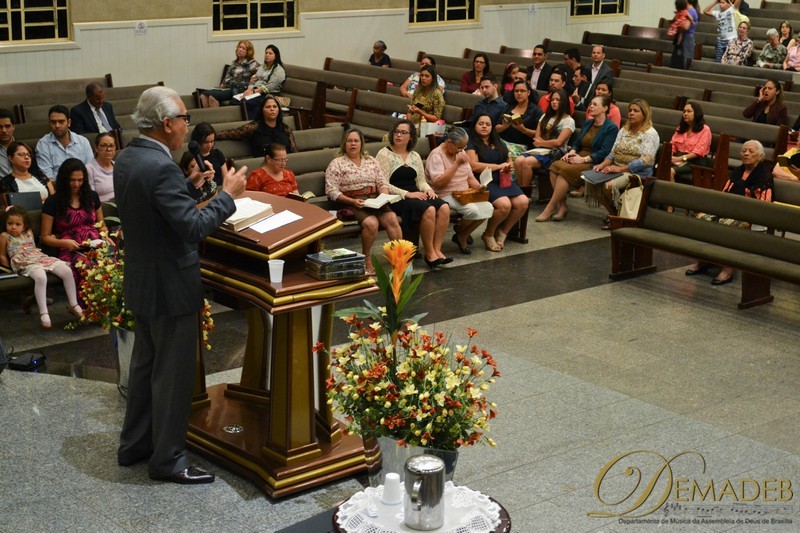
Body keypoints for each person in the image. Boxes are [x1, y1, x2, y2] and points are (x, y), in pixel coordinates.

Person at [114, 86, 247, 485]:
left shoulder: (129, 156)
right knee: (172, 377)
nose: (188, 125)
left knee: (144, 369)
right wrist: (227, 196)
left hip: (143, 280)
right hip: (170, 286)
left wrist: (188, 187)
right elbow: (191, 227)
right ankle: (168, 460)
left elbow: (153, 208)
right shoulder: (161, 167)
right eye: (184, 118)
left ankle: (135, 444)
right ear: (167, 123)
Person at [685, 140, 773, 285]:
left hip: (751, 217)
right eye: (744, 151)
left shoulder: (764, 175)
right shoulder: (738, 171)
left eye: (751, 151)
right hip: (729, 211)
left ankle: (728, 268)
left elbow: (763, 204)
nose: (746, 154)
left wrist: (737, 209)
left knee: (728, 225)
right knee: (702, 218)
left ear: (760, 156)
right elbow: (725, 192)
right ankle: (703, 260)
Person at [325, 128, 402, 275]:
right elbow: (331, 191)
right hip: (352, 201)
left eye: (356, 141)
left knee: (392, 218)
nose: (353, 144)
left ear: (361, 143)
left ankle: (399, 258)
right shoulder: (337, 163)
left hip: (374, 200)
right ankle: (366, 258)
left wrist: (383, 196)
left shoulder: (371, 161)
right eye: (349, 141)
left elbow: (382, 183)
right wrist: (351, 201)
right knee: (371, 223)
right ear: (344, 144)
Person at [376, 120, 451, 268]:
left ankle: (437, 250)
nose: (398, 135)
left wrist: (428, 189)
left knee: (444, 208)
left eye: (403, 132)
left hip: (415, 193)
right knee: (429, 209)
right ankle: (430, 254)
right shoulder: (384, 154)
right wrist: (407, 194)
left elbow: (421, 181)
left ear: (411, 137)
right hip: (396, 197)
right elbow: (383, 183)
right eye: (396, 132)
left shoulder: (414, 155)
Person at [537, 95, 619, 222]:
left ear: (605, 108)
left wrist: (583, 159)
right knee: (554, 166)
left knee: (564, 171)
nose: (591, 106)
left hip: (594, 162)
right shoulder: (588, 123)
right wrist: (572, 152)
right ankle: (562, 205)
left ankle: (550, 207)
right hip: (578, 156)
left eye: (595, 104)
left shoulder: (611, 128)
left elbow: (604, 152)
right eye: (590, 104)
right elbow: (577, 143)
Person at [0, 206, 83, 329]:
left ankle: (73, 304)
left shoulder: (29, 232)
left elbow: (33, 248)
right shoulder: (4, 236)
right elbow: (2, 255)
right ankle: (44, 313)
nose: (13, 227)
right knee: (40, 276)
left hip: (38, 256)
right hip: (22, 261)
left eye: (18, 224)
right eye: (10, 223)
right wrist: (9, 270)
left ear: (24, 225)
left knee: (66, 271)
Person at [591, 99, 660, 228]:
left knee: (609, 186)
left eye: (636, 111)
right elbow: (613, 153)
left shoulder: (650, 134)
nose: (631, 113)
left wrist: (620, 169)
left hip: (636, 173)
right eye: (630, 110)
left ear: (644, 114)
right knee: (591, 182)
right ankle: (615, 215)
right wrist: (602, 164)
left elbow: (645, 161)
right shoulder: (624, 130)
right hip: (617, 168)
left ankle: (616, 218)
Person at [40, 158, 107, 287]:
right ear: (64, 179)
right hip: (71, 249)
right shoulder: (53, 201)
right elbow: (45, 237)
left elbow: (102, 224)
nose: (76, 184)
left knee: (110, 264)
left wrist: (105, 235)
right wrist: (64, 242)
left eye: (80, 180)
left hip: (95, 245)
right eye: (72, 180)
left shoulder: (92, 196)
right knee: (86, 266)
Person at [466, 114, 528, 252]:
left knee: (523, 202)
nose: (484, 126)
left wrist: (508, 166)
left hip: (502, 177)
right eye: (481, 123)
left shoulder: (498, 140)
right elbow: (474, 165)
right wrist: (498, 166)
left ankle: (503, 232)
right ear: (475, 125)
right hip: (483, 179)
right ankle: (488, 233)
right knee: (504, 205)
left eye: (488, 124)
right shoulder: (471, 142)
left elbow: (508, 159)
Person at [425, 127, 492, 255]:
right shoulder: (436, 155)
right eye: (459, 147)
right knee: (473, 210)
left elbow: (470, 177)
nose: (461, 150)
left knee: (488, 208)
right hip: (444, 194)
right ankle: (461, 232)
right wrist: (456, 165)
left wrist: (478, 186)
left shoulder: (461, 153)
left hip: (464, 193)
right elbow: (439, 183)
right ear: (449, 142)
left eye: (464, 147)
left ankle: (462, 234)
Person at [515, 89, 575, 188]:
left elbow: (558, 142)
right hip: (540, 150)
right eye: (552, 100)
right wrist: (542, 143)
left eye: (558, 100)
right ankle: (523, 191)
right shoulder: (545, 116)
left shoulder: (569, 121)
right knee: (518, 161)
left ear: (564, 102)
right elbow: (537, 137)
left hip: (556, 153)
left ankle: (525, 191)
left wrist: (541, 143)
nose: (554, 102)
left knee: (527, 162)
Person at [216, 95, 297, 156]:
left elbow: (294, 152)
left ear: (278, 110)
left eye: (274, 106)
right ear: (262, 110)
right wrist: (213, 135)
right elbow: (232, 133)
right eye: (268, 107)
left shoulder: (285, 129)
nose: (272, 109)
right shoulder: (254, 127)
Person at [36, 104, 94, 181]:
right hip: (57, 186)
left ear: (69, 122)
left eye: (61, 122)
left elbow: (90, 170)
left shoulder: (83, 142)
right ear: (49, 123)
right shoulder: (43, 144)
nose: (57, 125)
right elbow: (47, 175)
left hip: (81, 184)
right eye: (53, 122)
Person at [199, 40, 259, 108]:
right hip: (227, 88)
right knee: (203, 95)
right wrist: (222, 85)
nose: (240, 49)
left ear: (248, 52)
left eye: (243, 48)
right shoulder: (234, 63)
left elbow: (260, 75)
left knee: (211, 96)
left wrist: (251, 88)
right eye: (239, 47)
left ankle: (216, 114)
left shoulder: (252, 64)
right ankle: (210, 114)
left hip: (238, 90)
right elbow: (227, 77)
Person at [669, 102, 712, 184]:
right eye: (684, 111)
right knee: (660, 167)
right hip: (678, 159)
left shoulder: (705, 130)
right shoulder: (680, 128)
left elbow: (698, 152)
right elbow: (672, 145)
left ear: (696, 113)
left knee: (670, 171)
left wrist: (679, 159)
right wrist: (669, 157)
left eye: (689, 111)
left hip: (694, 162)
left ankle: (672, 191)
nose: (685, 114)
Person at [496, 81, 543, 156]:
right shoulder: (509, 107)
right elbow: (496, 128)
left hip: (522, 146)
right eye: (516, 91)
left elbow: (539, 135)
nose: (519, 93)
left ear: (528, 92)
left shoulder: (536, 111)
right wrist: (504, 126)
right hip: (502, 143)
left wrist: (524, 130)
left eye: (522, 91)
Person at [240, 44, 286, 119]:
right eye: (266, 53)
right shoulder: (262, 67)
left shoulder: (279, 71)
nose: (267, 55)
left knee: (246, 102)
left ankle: (252, 122)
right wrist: (249, 90)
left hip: (268, 94)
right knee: (235, 100)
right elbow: (253, 80)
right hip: (256, 91)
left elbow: (269, 87)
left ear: (276, 56)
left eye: (270, 53)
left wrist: (253, 92)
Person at [86, 132, 116, 201]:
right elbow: (91, 198)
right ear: (96, 148)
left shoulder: (118, 165)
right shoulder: (89, 169)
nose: (108, 149)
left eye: (112, 145)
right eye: (104, 145)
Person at [668, 0, 694, 69]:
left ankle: (678, 43)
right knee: (680, 33)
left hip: (681, 24)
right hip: (680, 23)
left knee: (680, 33)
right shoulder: (684, 11)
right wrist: (692, 21)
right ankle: (678, 42)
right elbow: (690, 18)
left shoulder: (683, 12)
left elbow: (687, 21)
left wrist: (691, 21)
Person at [0, 108, 17, 176]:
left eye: (7, 126)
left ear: (13, 127)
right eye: (0, 127)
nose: (4, 130)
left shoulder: (25, 148)